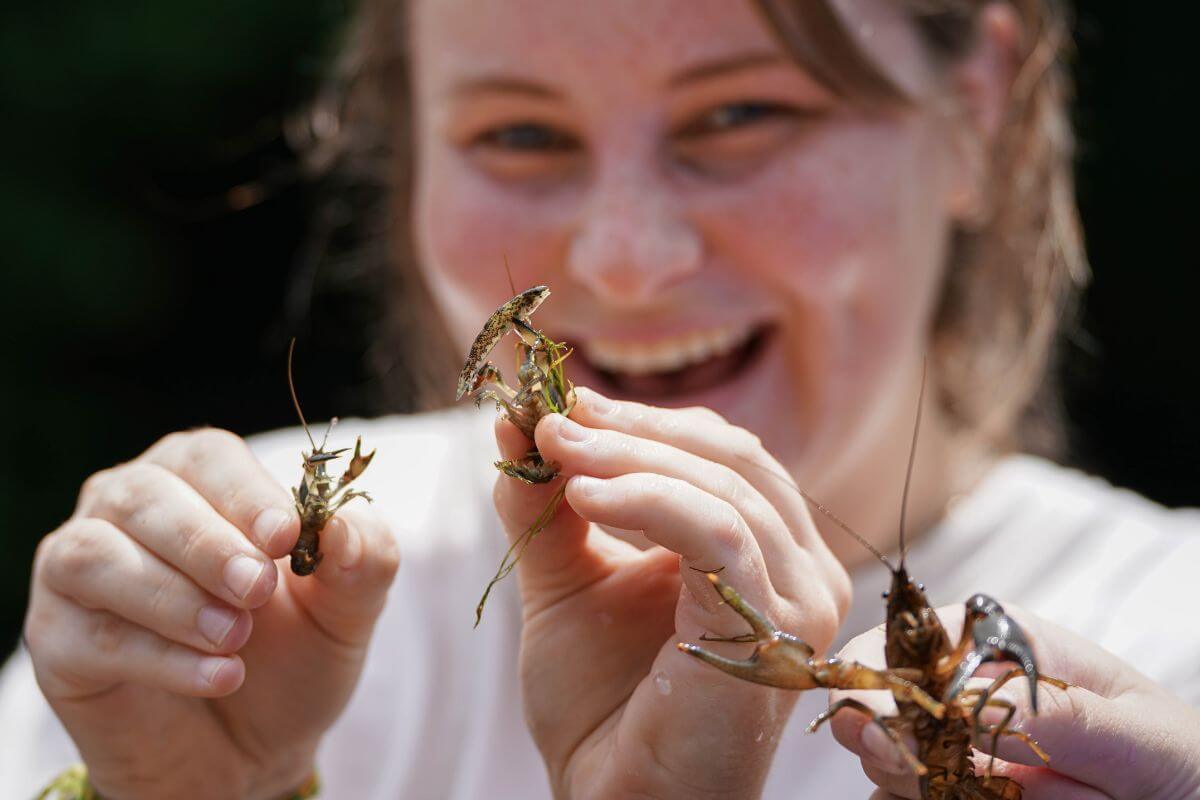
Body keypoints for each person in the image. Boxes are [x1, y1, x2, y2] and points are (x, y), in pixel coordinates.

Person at [3, 0, 1199, 798]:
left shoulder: (1170, 653)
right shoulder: (232, 592)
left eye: (743, 114)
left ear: (979, 105)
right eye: (520, 133)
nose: (625, 260)